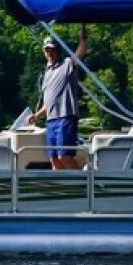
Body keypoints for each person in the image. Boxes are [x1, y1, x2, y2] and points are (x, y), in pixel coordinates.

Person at [33, 26, 87, 170]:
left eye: (52, 49)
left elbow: (79, 55)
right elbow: (48, 101)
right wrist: (37, 115)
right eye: (47, 50)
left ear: (57, 50)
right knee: (54, 159)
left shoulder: (67, 64)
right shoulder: (46, 74)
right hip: (51, 120)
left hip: (66, 117)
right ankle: (64, 187)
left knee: (65, 156)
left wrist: (83, 40)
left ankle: (83, 184)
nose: (49, 52)